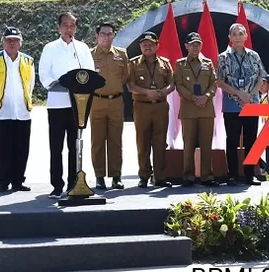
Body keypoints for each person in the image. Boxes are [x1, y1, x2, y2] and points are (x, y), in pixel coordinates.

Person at [38, 12, 95, 199]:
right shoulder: (50, 48)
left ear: (76, 28)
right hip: (56, 104)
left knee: (75, 146)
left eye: (72, 25)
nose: (68, 29)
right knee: (56, 147)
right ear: (58, 27)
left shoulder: (82, 48)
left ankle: (74, 183)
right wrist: (57, 82)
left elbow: (90, 72)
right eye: (65, 25)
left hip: (78, 105)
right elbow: (44, 74)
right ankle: (56, 185)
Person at [0, 27, 35, 192]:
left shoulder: (28, 61)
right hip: (1, 111)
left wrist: (26, 100)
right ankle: (3, 180)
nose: (12, 43)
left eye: (15, 40)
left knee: (22, 148)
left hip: (22, 112)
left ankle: (18, 180)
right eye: (9, 40)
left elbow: (30, 84)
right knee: (2, 148)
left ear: (20, 43)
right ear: (3, 41)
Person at [216, 23, 266, 186]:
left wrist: (251, 95)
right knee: (232, 140)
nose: (238, 37)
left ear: (246, 37)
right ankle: (232, 175)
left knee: (251, 139)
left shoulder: (254, 55)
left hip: (252, 103)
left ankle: (250, 175)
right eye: (234, 34)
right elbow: (220, 82)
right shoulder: (223, 57)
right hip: (232, 105)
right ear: (229, 38)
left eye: (241, 34)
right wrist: (239, 94)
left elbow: (261, 77)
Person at [128, 31, 175, 188]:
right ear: (140, 46)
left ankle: (160, 176)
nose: (147, 47)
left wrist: (161, 93)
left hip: (160, 106)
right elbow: (131, 86)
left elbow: (172, 84)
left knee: (160, 141)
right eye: (144, 45)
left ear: (157, 46)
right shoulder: (133, 64)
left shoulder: (165, 63)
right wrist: (147, 92)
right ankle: (144, 175)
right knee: (142, 141)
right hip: (142, 106)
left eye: (150, 44)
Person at [90, 22, 130, 190]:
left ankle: (116, 176)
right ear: (97, 36)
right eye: (103, 34)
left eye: (110, 34)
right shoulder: (89, 54)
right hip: (96, 102)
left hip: (116, 101)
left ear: (114, 35)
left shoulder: (122, 54)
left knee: (115, 140)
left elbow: (125, 76)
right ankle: (99, 177)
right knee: (97, 141)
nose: (107, 37)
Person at [175, 32, 218, 187]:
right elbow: (178, 85)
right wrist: (194, 97)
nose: (195, 46)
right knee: (189, 144)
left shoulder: (208, 63)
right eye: (192, 44)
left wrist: (206, 96)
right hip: (188, 109)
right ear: (186, 46)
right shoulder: (180, 64)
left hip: (206, 108)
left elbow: (214, 83)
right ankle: (188, 176)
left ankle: (207, 176)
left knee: (207, 144)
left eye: (198, 44)